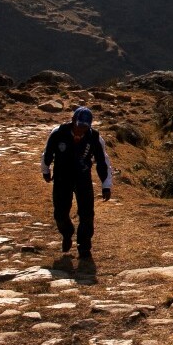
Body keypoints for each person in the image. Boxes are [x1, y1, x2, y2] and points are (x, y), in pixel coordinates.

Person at [41, 106, 112, 261]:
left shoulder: (94, 137)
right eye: (79, 126)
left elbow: (103, 161)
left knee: (87, 214)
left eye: (85, 127)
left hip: (82, 178)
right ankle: (67, 233)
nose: (81, 130)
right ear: (73, 121)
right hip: (61, 178)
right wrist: (46, 171)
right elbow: (47, 153)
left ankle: (84, 246)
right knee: (60, 213)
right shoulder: (58, 133)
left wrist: (106, 185)